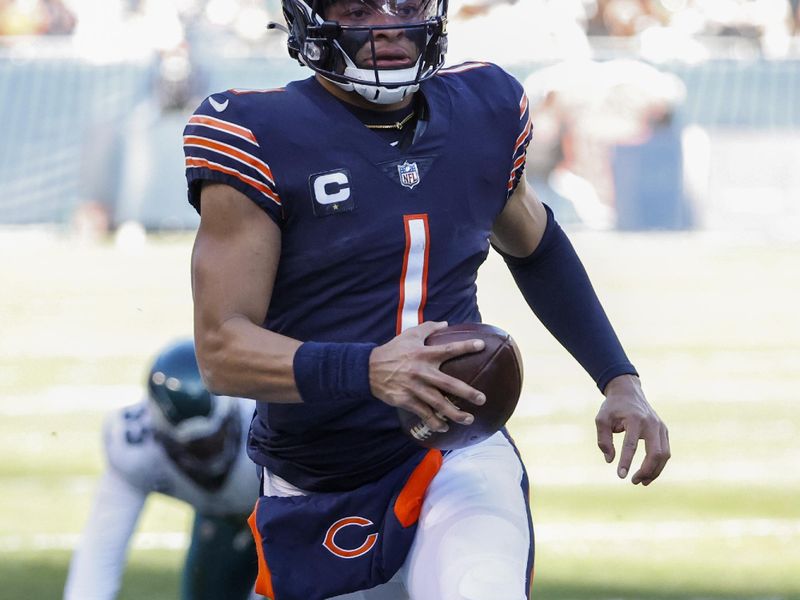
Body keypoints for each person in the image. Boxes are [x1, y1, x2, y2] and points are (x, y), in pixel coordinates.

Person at [183, 1, 671, 598]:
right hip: (314, 476)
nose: (389, 24)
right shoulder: (257, 132)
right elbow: (221, 350)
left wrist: (618, 377)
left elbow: (536, 246)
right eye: (359, 8)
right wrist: (367, 369)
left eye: (407, 4)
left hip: (457, 452)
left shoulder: (483, 110)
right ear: (308, 19)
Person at [63, 339, 261, 600]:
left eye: (214, 440)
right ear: (159, 429)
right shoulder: (134, 448)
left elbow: (299, 539)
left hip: (286, 514)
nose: (209, 457)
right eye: (195, 447)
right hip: (222, 517)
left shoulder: (265, 426)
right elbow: (100, 553)